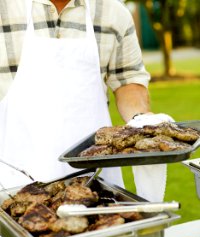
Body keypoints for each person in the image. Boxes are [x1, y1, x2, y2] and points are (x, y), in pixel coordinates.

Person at [0, 0, 150, 188]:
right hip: (13, 181)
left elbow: (128, 82)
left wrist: (144, 121)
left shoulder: (113, 12)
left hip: (94, 182)